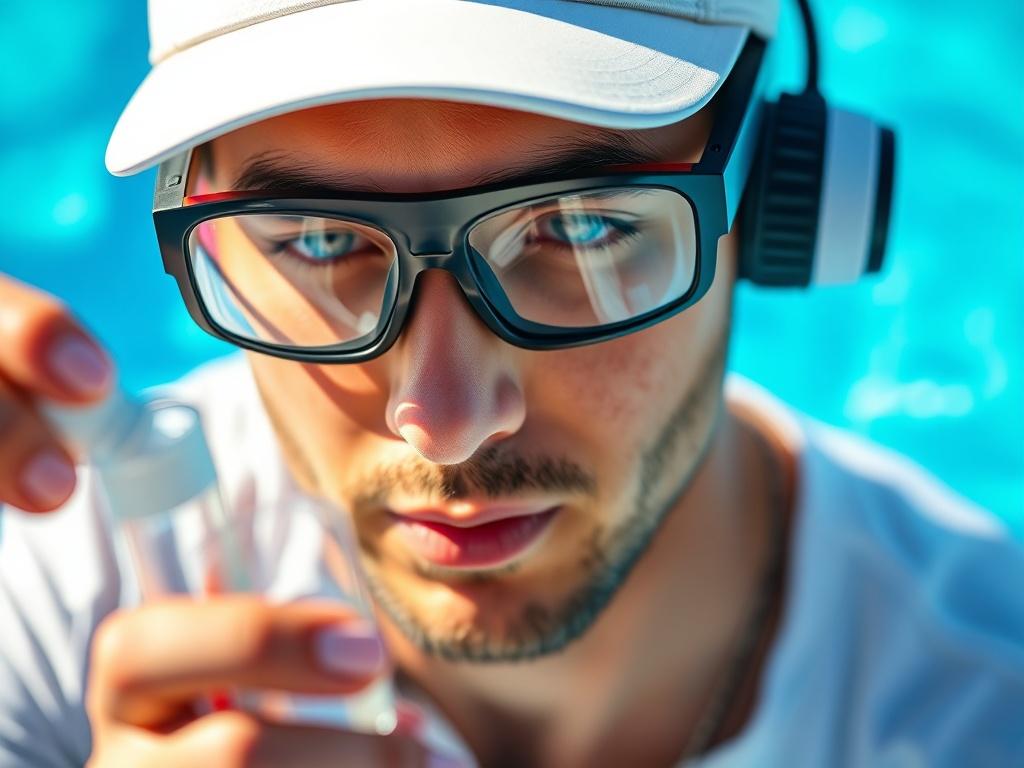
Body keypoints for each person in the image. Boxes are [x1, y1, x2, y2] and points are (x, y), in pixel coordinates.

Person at [0, 1, 1021, 766]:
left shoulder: (983, 705)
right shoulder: (58, 589)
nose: (441, 424)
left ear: (781, 206)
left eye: (580, 228)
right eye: (316, 240)